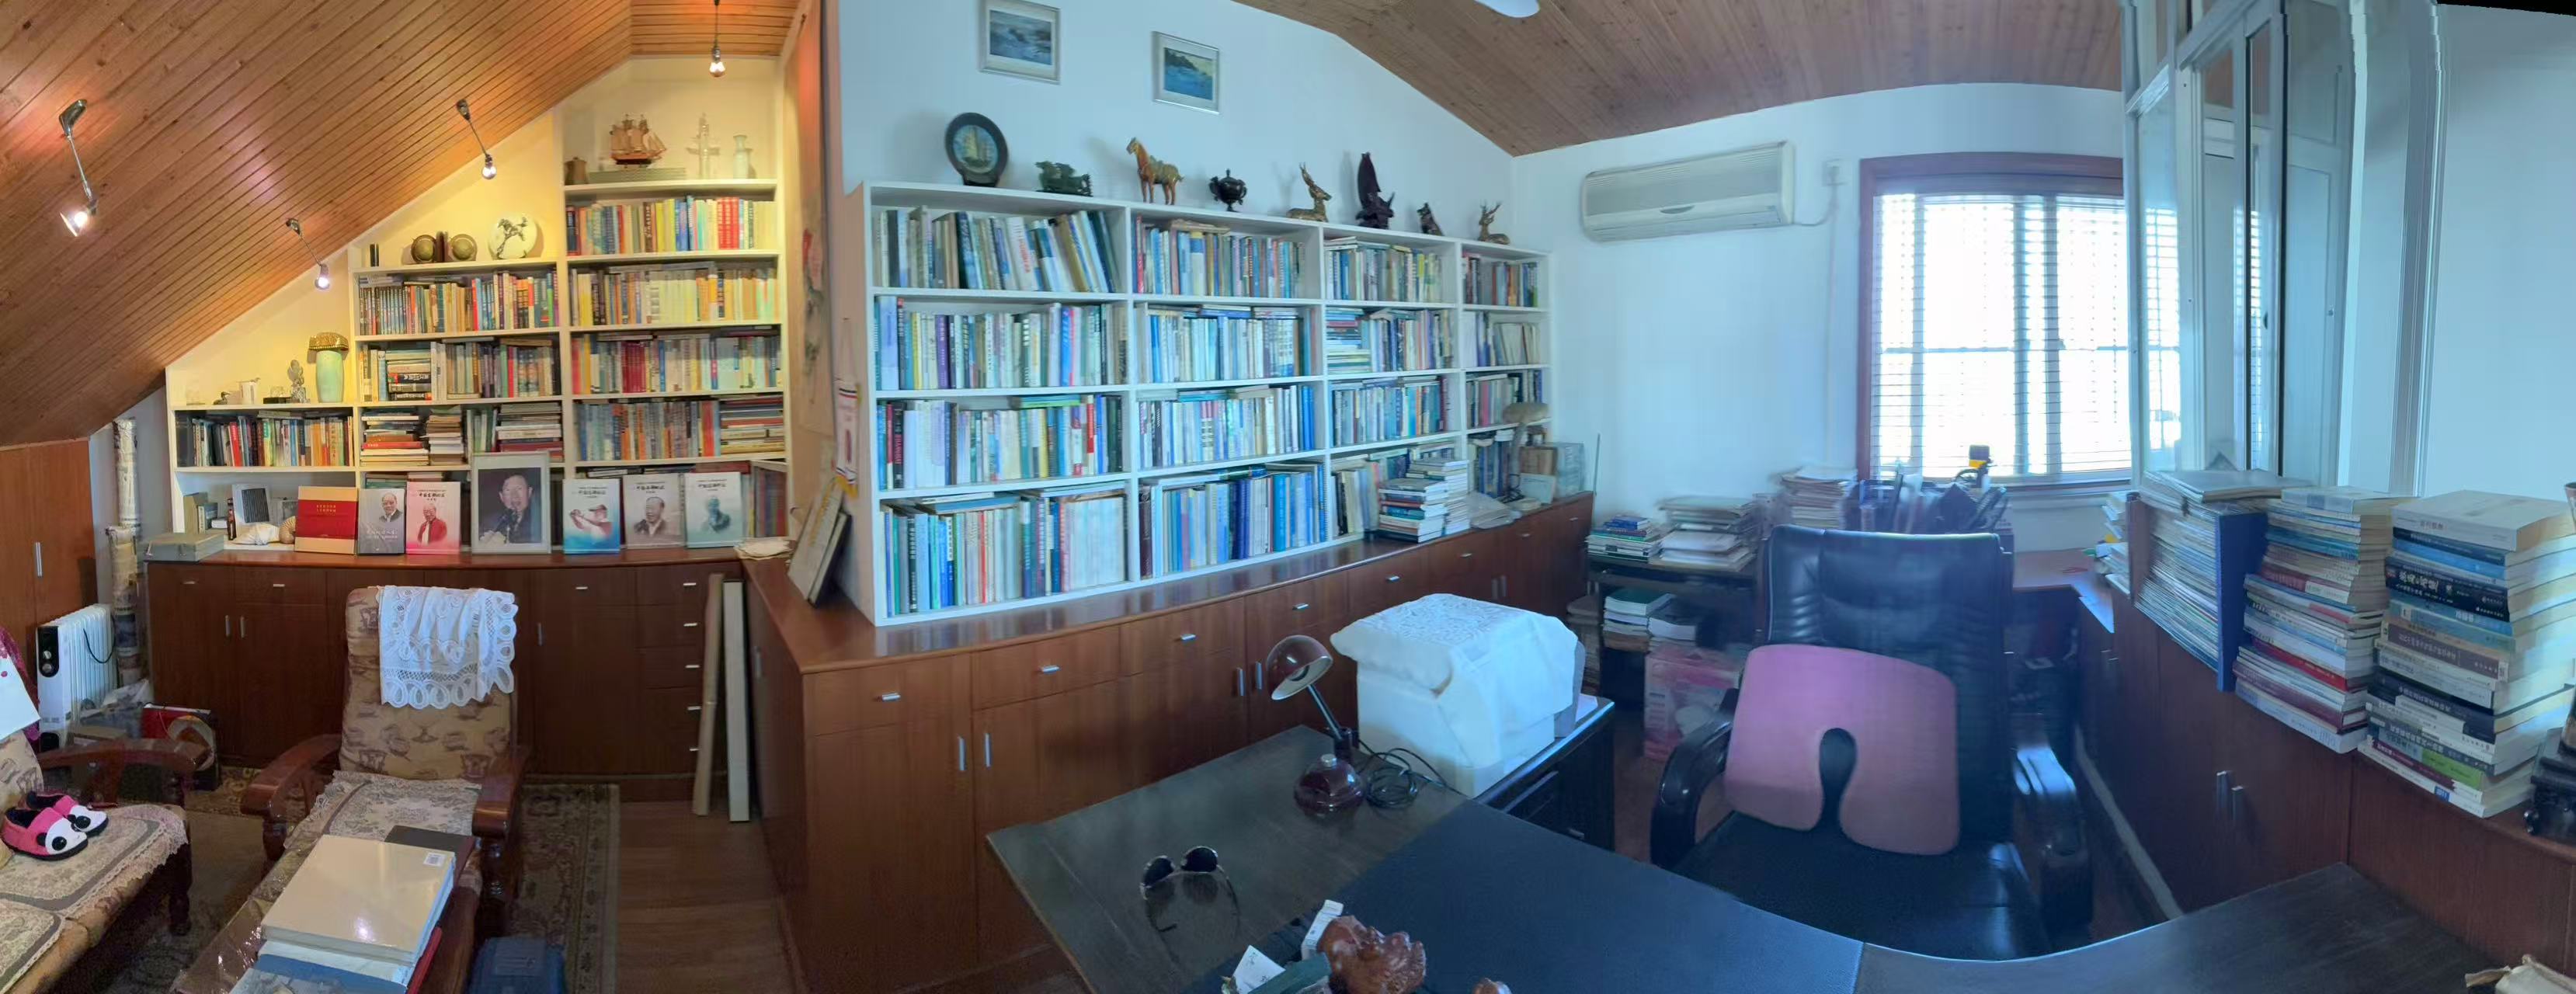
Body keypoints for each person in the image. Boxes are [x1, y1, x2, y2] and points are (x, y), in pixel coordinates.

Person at [481, 471, 541, 544]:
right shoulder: (489, 523)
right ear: (501, 496)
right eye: (508, 490)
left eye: (519, 489)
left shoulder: (539, 522)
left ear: (529, 492)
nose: (514, 495)